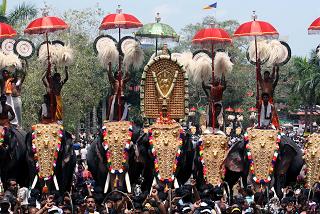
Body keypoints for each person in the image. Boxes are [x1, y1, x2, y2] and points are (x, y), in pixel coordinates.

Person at [11, 61, 27, 128]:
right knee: (11, 114)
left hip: (17, 99)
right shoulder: (10, 81)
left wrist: (24, 65)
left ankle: (19, 127)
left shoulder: (19, 81)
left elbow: (24, 75)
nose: (15, 75)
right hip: (11, 99)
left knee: (18, 114)